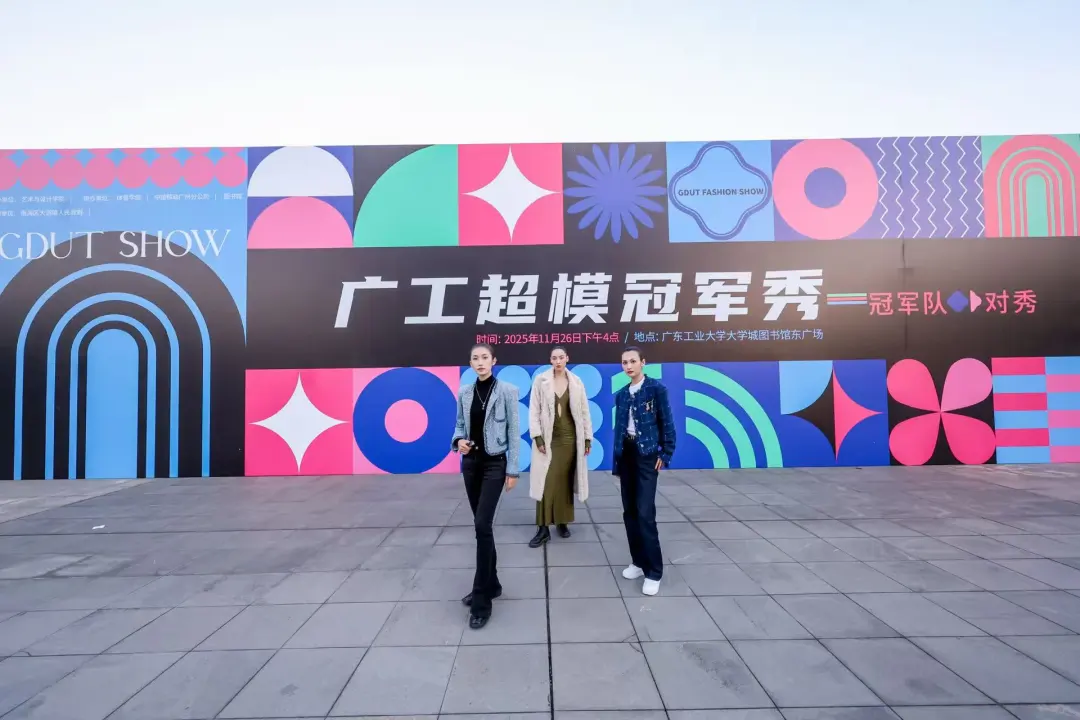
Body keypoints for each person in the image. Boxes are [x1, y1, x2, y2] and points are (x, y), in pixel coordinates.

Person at [451, 343, 520, 629]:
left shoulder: (507, 391)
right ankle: (492, 584)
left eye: (484, 358)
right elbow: (459, 425)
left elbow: (514, 432)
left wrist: (513, 469)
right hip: (471, 465)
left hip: (495, 464)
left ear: (494, 361)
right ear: (470, 363)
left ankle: (481, 600)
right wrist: (459, 442)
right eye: (475, 358)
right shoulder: (465, 392)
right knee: (483, 528)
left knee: (482, 525)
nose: (480, 362)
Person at [611, 346, 675, 595]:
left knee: (645, 512)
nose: (628, 366)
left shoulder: (656, 389)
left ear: (643, 363)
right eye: (624, 362)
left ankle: (654, 571)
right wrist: (617, 459)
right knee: (629, 511)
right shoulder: (621, 395)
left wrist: (665, 453)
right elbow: (619, 430)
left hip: (646, 455)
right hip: (626, 454)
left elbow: (667, 422)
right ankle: (638, 562)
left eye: (633, 361)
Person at [527, 345, 593, 548]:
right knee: (546, 482)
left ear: (567, 358)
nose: (557, 361)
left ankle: (562, 522)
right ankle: (543, 528)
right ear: (550, 360)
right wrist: (537, 437)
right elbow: (534, 410)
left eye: (561, 357)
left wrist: (587, 438)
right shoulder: (541, 380)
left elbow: (584, 412)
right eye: (554, 358)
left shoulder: (576, 382)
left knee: (565, 481)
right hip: (548, 439)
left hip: (570, 439)